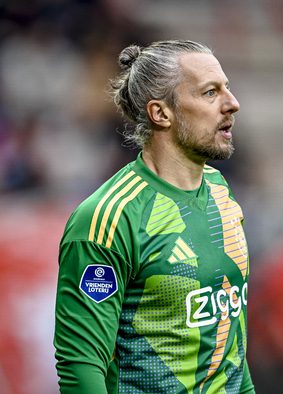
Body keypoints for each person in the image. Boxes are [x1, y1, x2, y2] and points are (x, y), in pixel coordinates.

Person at [53, 39, 254, 394]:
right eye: (210, 93)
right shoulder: (108, 218)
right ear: (161, 113)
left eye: (227, 88)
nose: (232, 103)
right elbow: (81, 365)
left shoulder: (220, 191)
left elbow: (231, 346)